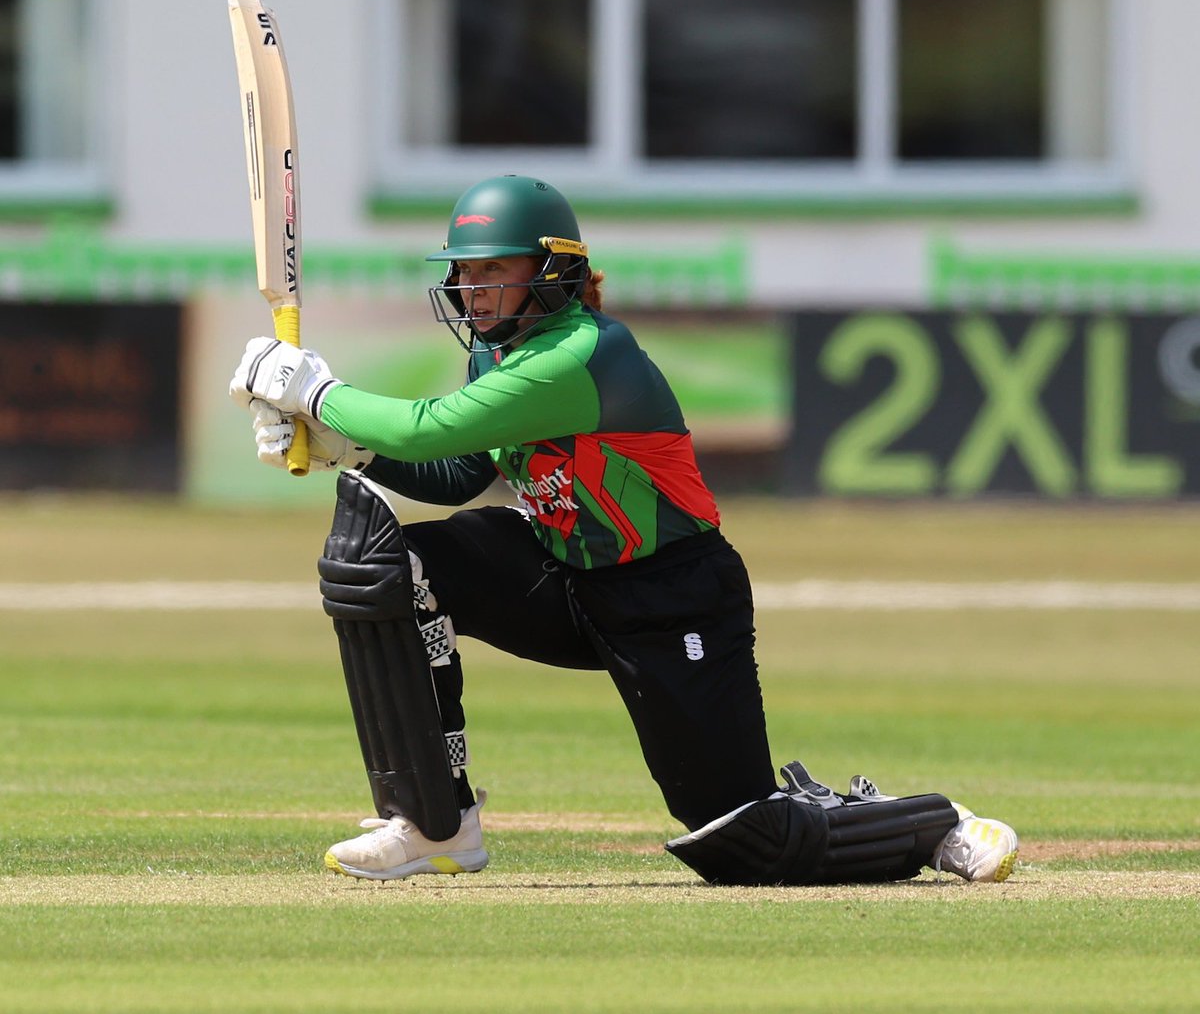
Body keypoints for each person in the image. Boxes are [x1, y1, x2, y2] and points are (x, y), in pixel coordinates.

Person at [230, 174, 1018, 887]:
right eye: (464, 271)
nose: (471, 289)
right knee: (388, 566)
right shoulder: (500, 358)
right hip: (564, 576)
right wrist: (349, 450)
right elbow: (458, 474)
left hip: (672, 595)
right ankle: (436, 823)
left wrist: (317, 393)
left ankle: (932, 823)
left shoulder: (582, 356)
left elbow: (429, 428)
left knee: (744, 839)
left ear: (551, 271)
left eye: (492, 270)